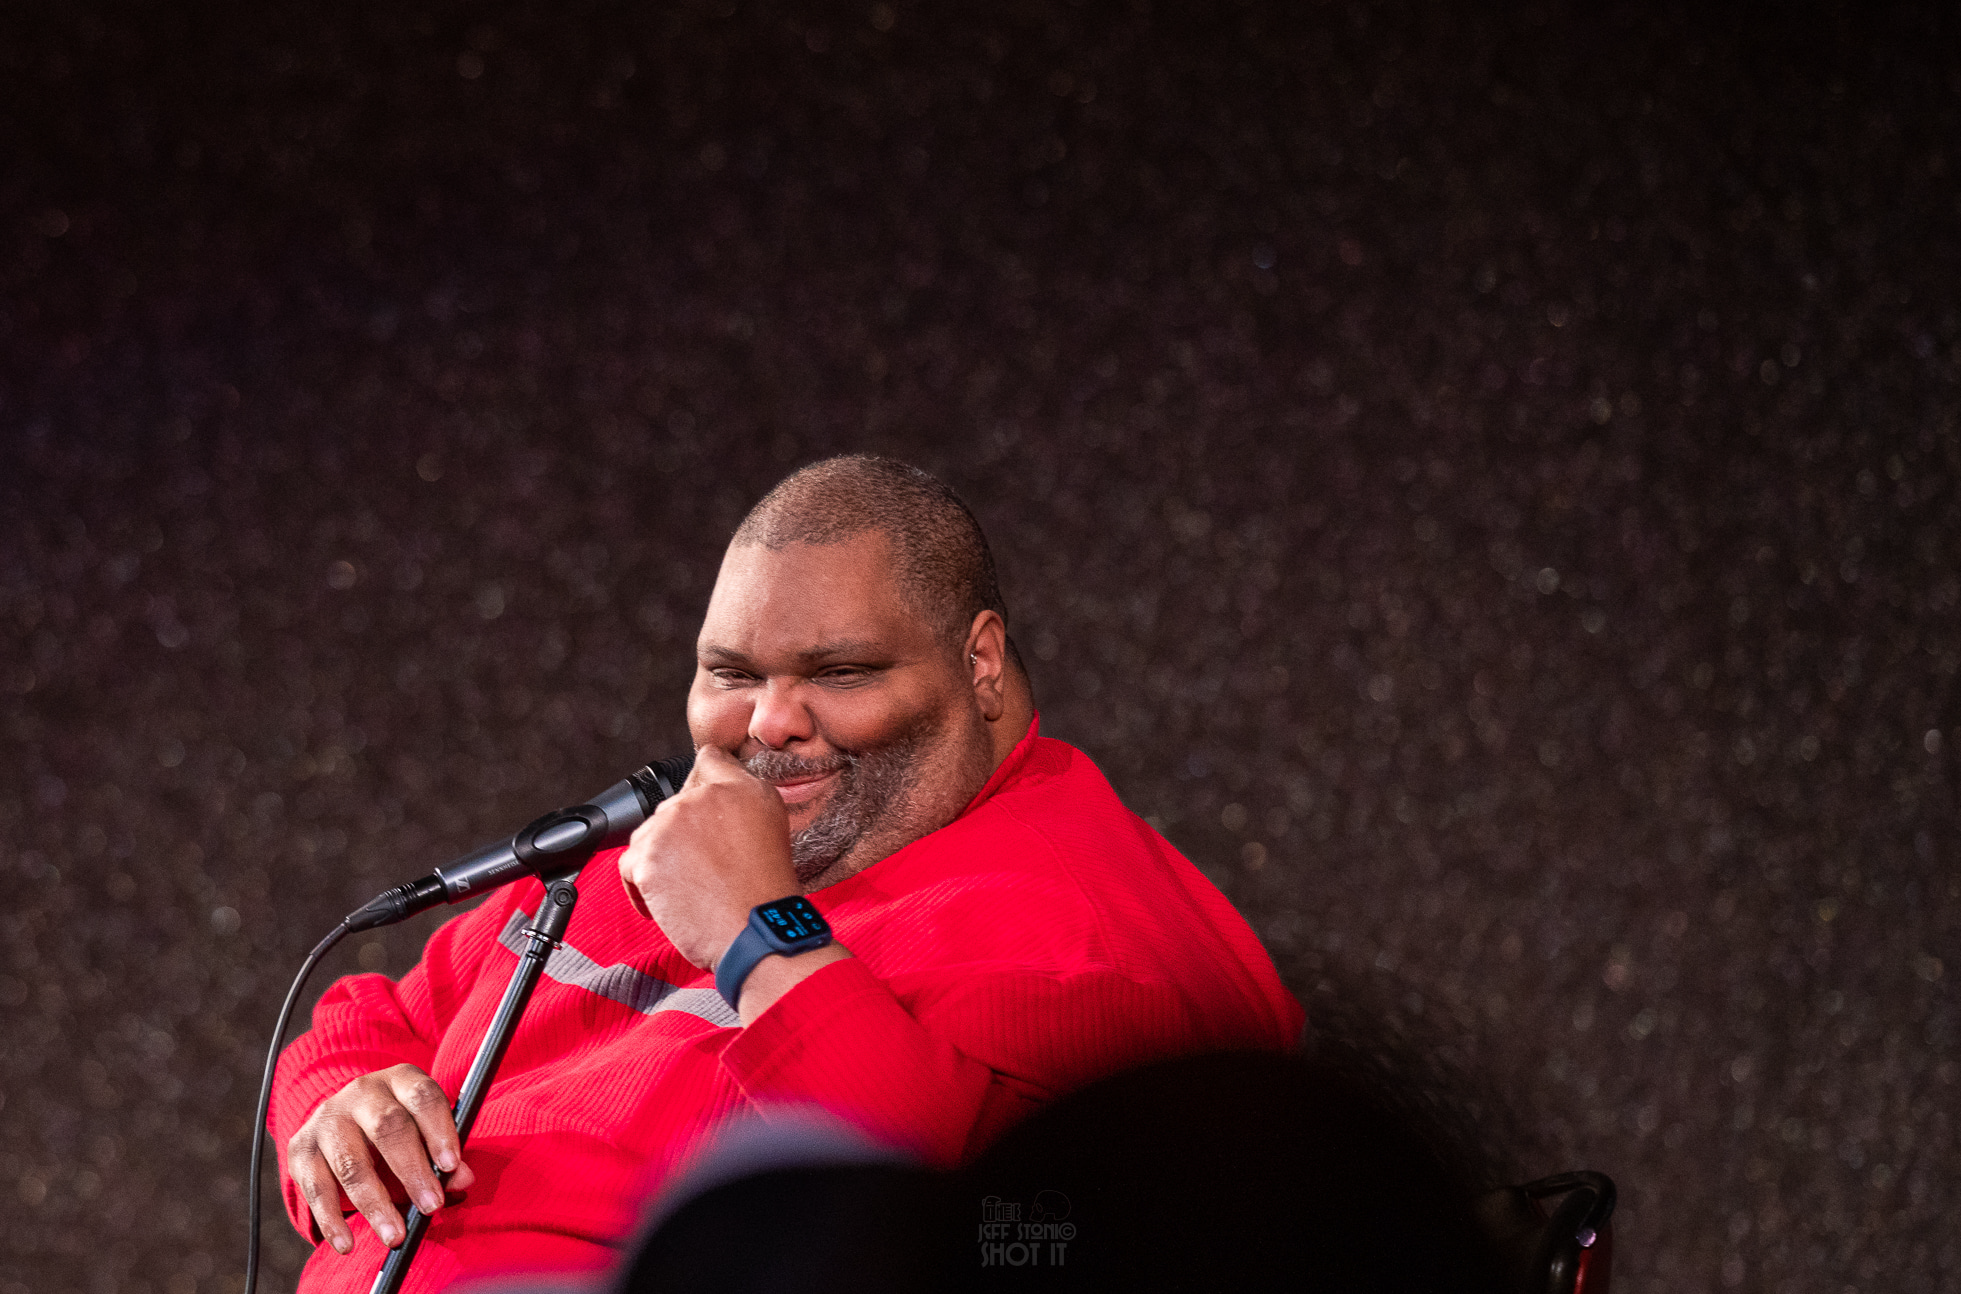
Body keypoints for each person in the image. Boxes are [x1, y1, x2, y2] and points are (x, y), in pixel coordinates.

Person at [270, 456, 1303, 1293]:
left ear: (979, 663)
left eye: (839, 672)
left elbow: (1012, 1232)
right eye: (731, 674)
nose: (768, 724)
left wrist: (759, 931)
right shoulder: (676, 840)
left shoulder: (1096, 934)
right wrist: (344, 1107)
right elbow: (369, 1016)